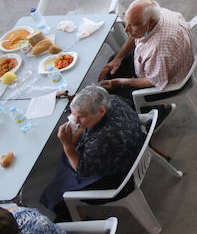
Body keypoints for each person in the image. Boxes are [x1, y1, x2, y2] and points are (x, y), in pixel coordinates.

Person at [39, 86, 143, 221]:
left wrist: (67, 145)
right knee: (69, 155)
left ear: (101, 111)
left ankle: (80, 222)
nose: (75, 121)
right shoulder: (113, 100)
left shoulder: (101, 140)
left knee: (53, 194)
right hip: (132, 146)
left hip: (119, 178)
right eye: (73, 115)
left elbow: (81, 170)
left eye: (80, 117)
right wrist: (79, 130)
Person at [96, 0, 193, 103]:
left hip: (168, 81)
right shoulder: (157, 14)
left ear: (151, 22)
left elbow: (152, 82)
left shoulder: (159, 50)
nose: (126, 30)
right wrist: (118, 58)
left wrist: (120, 82)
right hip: (158, 61)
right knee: (113, 62)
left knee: (118, 100)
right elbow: (135, 35)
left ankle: (161, 110)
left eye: (132, 25)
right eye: (126, 23)